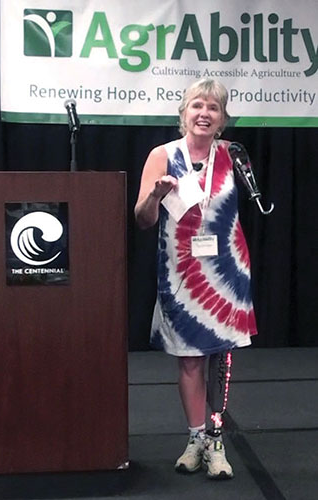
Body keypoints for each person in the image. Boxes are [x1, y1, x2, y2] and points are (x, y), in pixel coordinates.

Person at [134, 79, 257, 480]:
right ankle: (195, 437)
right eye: (197, 106)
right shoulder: (163, 155)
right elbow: (143, 219)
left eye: (214, 108)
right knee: (190, 360)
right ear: (184, 112)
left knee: (221, 357)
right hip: (182, 273)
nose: (204, 113)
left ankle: (217, 440)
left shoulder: (233, 155)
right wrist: (155, 194)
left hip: (226, 270)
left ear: (221, 120)